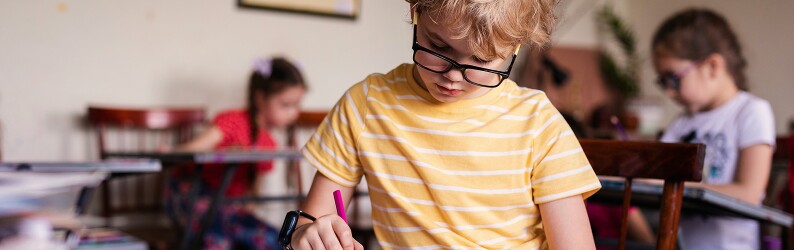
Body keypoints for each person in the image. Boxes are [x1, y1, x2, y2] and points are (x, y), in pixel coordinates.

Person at [282, 1, 602, 249]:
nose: (453, 76)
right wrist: (306, 235)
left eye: (481, 60)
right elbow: (308, 226)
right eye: (439, 47)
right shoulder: (366, 105)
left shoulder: (539, 124)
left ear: (515, 45)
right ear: (416, 10)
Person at [653, 8, 775, 250]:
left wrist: (672, 185)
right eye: (663, 82)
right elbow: (655, 171)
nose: (669, 92)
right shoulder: (681, 123)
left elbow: (749, 193)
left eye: (673, 79)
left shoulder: (751, 112)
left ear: (712, 66)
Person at [167, 57, 307, 249]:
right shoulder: (232, 122)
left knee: (273, 239)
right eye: (286, 105)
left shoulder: (269, 143)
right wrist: (172, 152)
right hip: (193, 193)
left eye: (297, 105)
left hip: (228, 206)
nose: (294, 113)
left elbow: (253, 191)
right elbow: (195, 148)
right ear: (260, 98)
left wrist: (247, 205)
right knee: (217, 240)